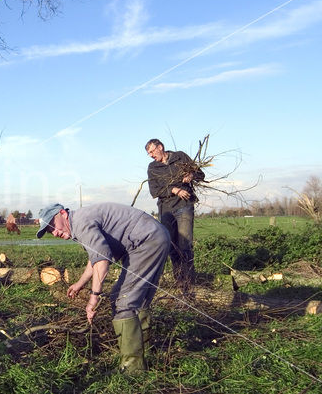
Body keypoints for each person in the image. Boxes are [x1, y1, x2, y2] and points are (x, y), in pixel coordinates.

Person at [37, 202, 170, 374]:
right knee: (139, 299)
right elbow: (96, 256)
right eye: (49, 231)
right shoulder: (80, 221)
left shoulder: (81, 223)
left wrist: (94, 297)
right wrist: (80, 284)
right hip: (156, 236)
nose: (54, 233)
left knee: (122, 301)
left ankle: (133, 368)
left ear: (62, 214)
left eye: (52, 226)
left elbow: (101, 261)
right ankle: (145, 352)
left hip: (145, 242)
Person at [145, 139, 204, 288]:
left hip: (184, 206)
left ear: (160, 147)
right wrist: (174, 190)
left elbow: (200, 174)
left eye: (152, 151)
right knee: (171, 246)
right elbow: (154, 191)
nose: (151, 155)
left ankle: (189, 281)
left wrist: (191, 175)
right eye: (149, 153)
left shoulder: (180, 157)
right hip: (166, 210)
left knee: (185, 245)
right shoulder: (152, 167)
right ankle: (179, 280)